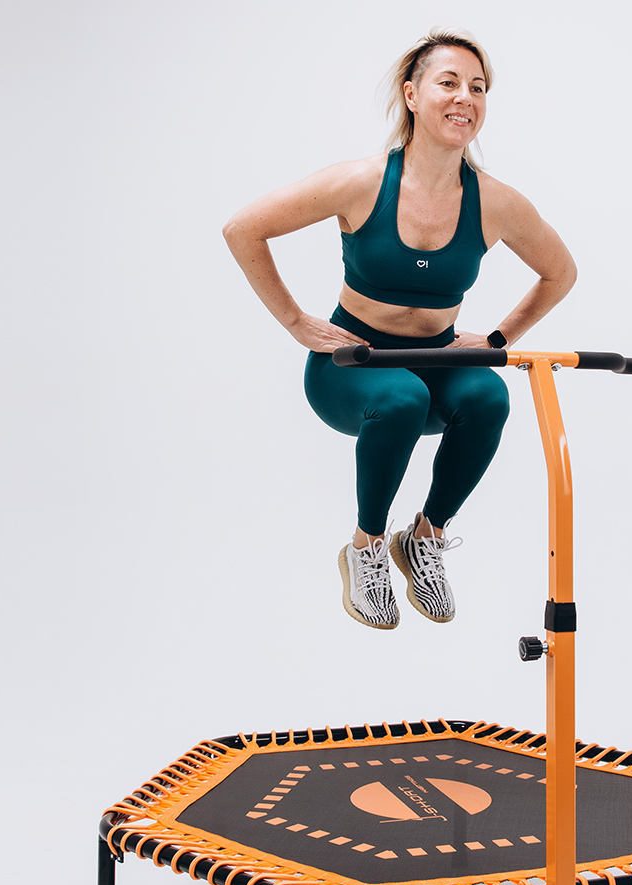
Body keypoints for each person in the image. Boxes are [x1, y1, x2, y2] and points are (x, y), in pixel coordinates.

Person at [223, 27, 577, 630]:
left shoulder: (495, 202)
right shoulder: (361, 182)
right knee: (401, 396)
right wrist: (295, 321)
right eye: (449, 82)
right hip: (352, 367)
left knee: (489, 395)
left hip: (437, 361)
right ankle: (365, 549)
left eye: (478, 88)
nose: (465, 97)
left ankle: (424, 539)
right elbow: (243, 229)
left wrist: (498, 340)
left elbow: (560, 272)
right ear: (412, 95)